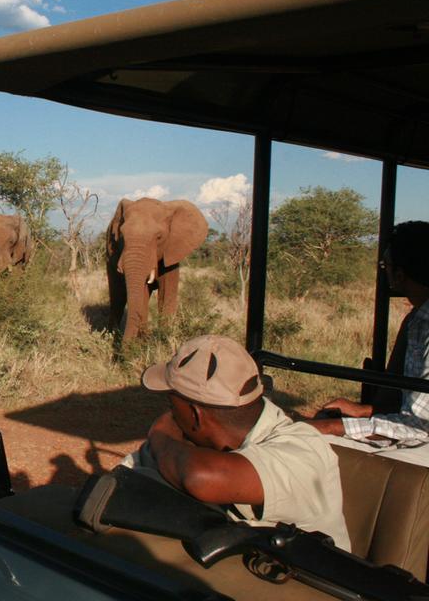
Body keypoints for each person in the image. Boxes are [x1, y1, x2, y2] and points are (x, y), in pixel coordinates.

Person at [123, 334, 351, 551]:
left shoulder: (303, 451)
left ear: (196, 416)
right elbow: (123, 480)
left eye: (172, 408)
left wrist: (161, 435)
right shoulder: (194, 447)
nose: (170, 416)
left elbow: (200, 477)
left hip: (317, 589)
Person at [307, 221, 429, 446]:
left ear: (400, 275)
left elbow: (419, 426)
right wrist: (364, 410)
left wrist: (332, 427)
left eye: (385, 266)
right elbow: (409, 404)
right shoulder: (416, 320)